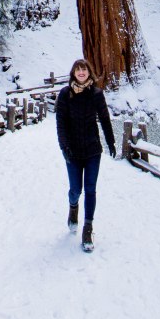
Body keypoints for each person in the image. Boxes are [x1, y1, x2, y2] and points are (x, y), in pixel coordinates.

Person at [55, 58, 116, 252]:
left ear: (89, 72)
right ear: (73, 73)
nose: (81, 72)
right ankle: (73, 207)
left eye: (84, 69)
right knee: (76, 189)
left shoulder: (96, 94)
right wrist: (64, 146)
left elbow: (105, 119)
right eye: (78, 69)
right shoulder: (65, 94)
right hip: (72, 151)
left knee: (90, 189)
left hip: (92, 150)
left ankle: (88, 227)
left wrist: (111, 141)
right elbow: (61, 122)